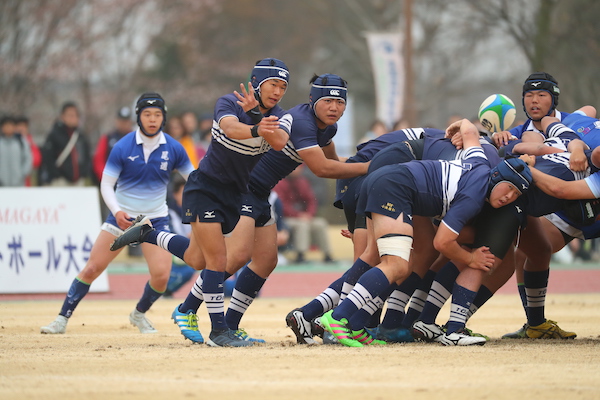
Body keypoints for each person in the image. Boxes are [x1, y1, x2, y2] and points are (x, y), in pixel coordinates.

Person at [110, 58, 290, 347]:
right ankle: (219, 331)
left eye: (283, 86)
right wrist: (257, 126)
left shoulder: (277, 114)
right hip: (205, 188)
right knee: (218, 259)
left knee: (197, 259)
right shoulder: (229, 102)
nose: (278, 91)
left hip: (234, 194)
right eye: (273, 84)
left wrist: (258, 118)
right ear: (256, 82)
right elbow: (231, 129)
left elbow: (280, 141)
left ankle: (148, 233)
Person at [319, 119, 531, 347]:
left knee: (379, 258)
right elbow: (442, 243)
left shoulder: (478, 161)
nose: (510, 197)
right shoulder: (473, 197)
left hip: (388, 181)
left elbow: (469, 129)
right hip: (394, 187)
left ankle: (356, 324)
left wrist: (455, 126)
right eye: (509, 187)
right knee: (397, 265)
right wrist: (471, 258)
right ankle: (338, 317)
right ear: (497, 177)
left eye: (516, 194)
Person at [40, 92, 194, 335]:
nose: (152, 119)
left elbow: (194, 181)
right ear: (138, 117)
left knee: (162, 277)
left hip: (156, 221)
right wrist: (117, 211)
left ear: (163, 118)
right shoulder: (123, 146)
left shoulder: (174, 148)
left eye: (157, 115)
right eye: (147, 114)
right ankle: (61, 319)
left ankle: (139, 314)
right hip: (121, 218)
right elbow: (105, 184)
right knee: (92, 269)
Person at [274, 165, 334, 263]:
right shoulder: (280, 182)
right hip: (286, 218)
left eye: (299, 168)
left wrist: (309, 214)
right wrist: (298, 215)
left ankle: (327, 255)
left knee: (320, 223)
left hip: (304, 217)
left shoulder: (302, 181)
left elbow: (311, 200)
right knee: (301, 225)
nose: (297, 170)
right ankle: (301, 255)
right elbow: (281, 205)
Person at [492, 72, 566, 148]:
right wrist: (497, 138)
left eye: (541, 95)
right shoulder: (516, 135)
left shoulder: (572, 123)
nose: (534, 100)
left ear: (554, 100)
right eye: (529, 95)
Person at [38, 101, 92, 186]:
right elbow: (48, 157)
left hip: (79, 181)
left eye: (75, 115)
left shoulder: (81, 136)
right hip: (60, 181)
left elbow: (86, 156)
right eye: (70, 115)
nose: (73, 118)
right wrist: (57, 174)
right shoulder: (54, 135)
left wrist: (84, 173)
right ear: (62, 116)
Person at [92, 107, 133, 184]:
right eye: (121, 121)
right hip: (111, 181)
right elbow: (99, 160)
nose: (123, 124)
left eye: (126, 121)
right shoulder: (108, 138)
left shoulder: (136, 139)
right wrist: (106, 178)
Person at [0, 115, 32, 186]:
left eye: (10, 125)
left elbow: (27, 159)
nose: (8, 128)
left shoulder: (21, 142)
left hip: (19, 184)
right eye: (6, 126)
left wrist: (22, 174)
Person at [14, 115, 42, 186]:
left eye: (24, 126)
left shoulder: (31, 142)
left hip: (27, 181)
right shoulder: (9, 143)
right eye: (19, 126)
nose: (21, 129)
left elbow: (36, 160)